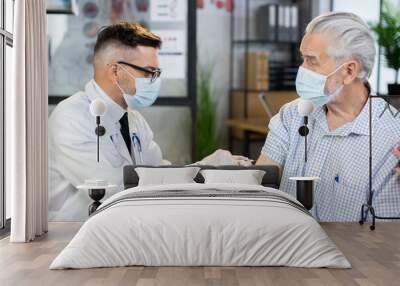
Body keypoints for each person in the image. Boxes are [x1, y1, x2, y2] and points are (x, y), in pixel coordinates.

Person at [49, 22, 250, 221]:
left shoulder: (133, 119)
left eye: (156, 73)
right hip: (71, 232)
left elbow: (158, 173)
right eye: (148, 72)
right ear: (115, 72)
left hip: (123, 224)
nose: (153, 80)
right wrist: (199, 172)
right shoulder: (72, 116)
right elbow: (116, 191)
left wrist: (207, 168)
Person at [256, 12, 400, 221]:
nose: (301, 70)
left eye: (311, 61)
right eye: (302, 59)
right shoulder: (290, 115)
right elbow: (260, 184)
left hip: (346, 252)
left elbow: (384, 237)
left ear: (349, 71)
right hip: (283, 247)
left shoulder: (392, 139)